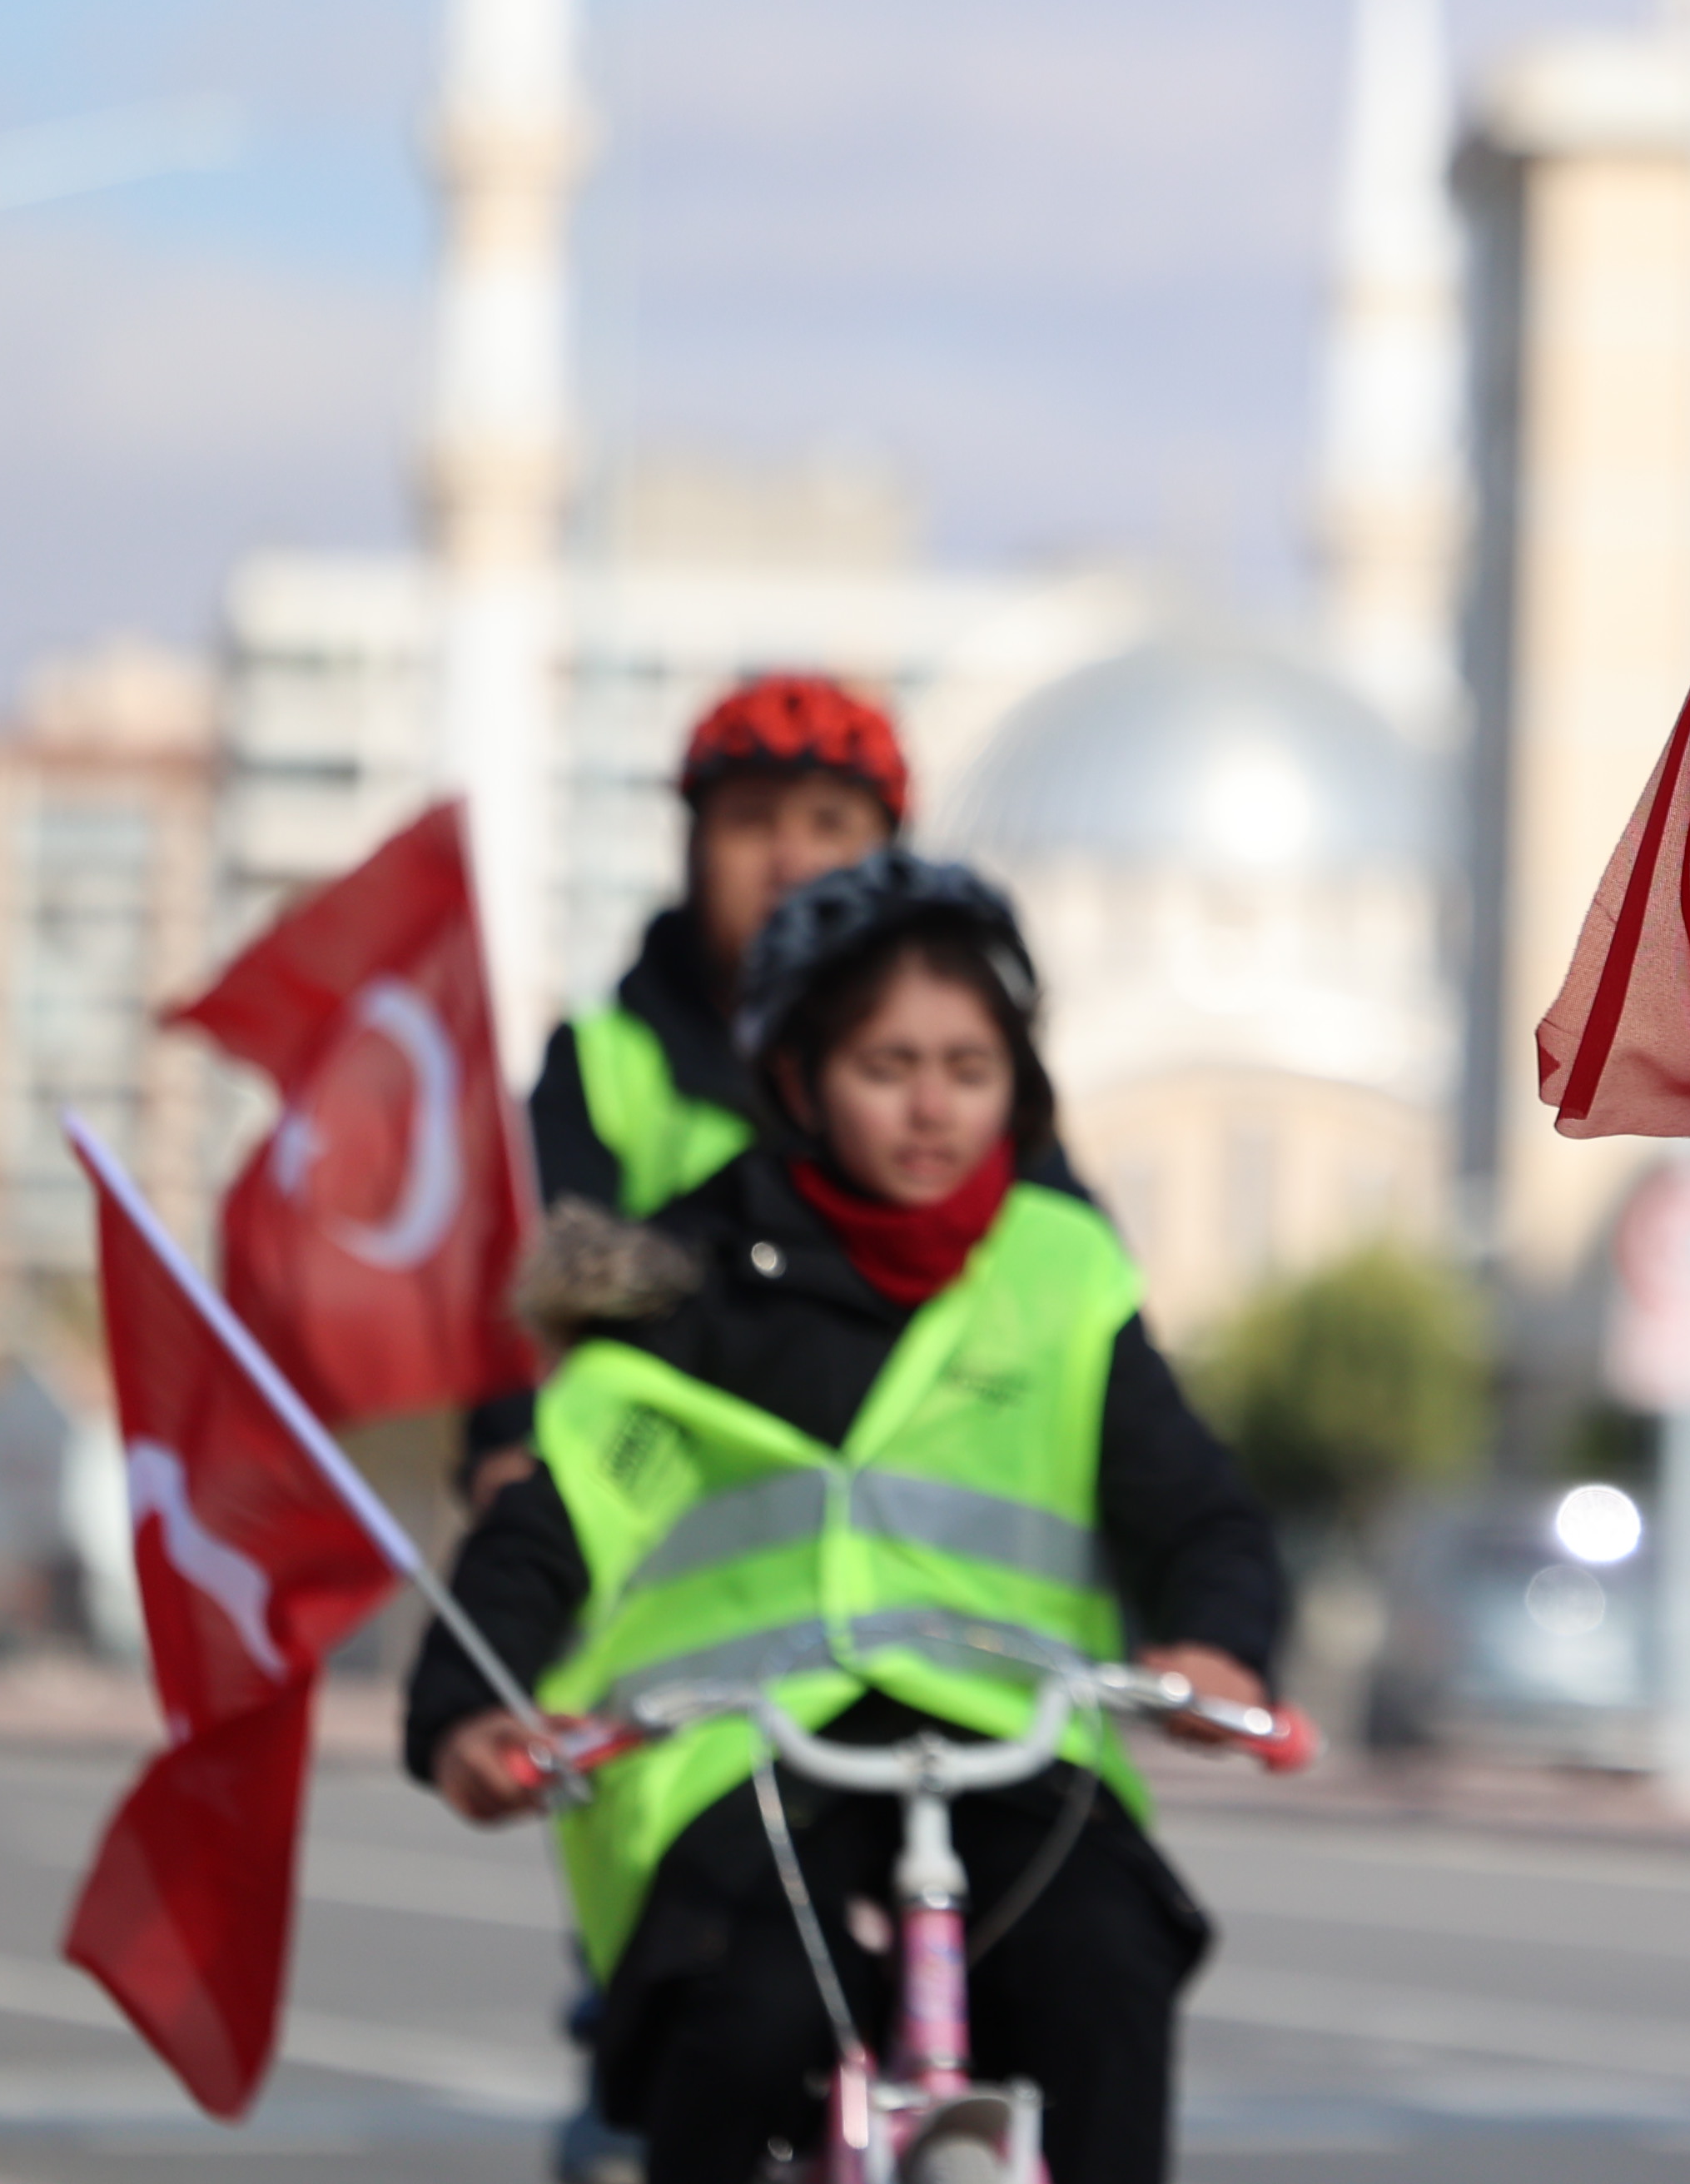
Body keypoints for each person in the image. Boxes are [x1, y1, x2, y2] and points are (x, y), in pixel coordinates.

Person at [410, 851, 1282, 2184]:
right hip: (745, 1769)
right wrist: (469, 1714)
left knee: (1108, 1965)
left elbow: (1199, 1513)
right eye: (888, 1067)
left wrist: (1216, 1646)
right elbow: (547, 1527)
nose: (933, 1110)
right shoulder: (674, 1294)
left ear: (1022, 1089)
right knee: (750, 2016)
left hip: (1008, 1753)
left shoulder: (1063, 1277)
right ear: (798, 1077)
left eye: (970, 1069)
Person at [465, 673, 912, 2184]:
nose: (791, 861)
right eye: (753, 825)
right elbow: (550, 1306)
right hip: (679, 1625)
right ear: (690, 844)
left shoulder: (947, 1067)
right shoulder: (610, 1066)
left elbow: (1060, 1306)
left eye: (831, 828)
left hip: (916, 1622)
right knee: (693, 2004)